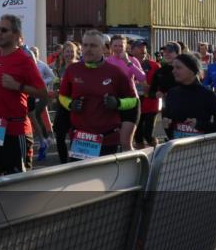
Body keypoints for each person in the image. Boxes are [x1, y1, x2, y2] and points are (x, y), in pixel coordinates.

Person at [0, 15, 48, 176]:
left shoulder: (25, 60)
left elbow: (43, 93)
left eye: (4, 30)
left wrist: (18, 86)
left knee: (16, 183)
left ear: (15, 34)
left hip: (15, 130)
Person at [57, 30, 138, 161]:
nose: (88, 49)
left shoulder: (115, 72)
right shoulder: (72, 70)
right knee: (79, 179)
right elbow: (62, 96)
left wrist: (117, 103)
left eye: (93, 46)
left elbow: (133, 101)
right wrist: (71, 104)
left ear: (103, 48)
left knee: (104, 180)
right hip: (80, 139)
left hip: (107, 140)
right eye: (85, 45)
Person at [162, 54, 216, 139]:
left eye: (178, 67)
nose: (173, 71)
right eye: (173, 68)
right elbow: (167, 120)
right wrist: (167, 124)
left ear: (192, 70)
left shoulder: (207, 94)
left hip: (202, 149)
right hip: (179, 149)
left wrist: (200, 125)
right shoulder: (172, 93)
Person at [50, 41, 81, 161]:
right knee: (59, 134)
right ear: (63, 54)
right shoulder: (59, 69)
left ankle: (76, 159)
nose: (69, 54)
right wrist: (55, 91)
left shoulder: (80, 67)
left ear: (76, 53)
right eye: (67, 51)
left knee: (76, 135)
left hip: (76, 106)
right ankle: (64, 161)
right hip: (62, 105)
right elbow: (56, 85)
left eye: (71, 51)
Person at [130, 39, 162, 146]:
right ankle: (141, 159)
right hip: (135, 103)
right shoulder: (127, 64)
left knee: (148, 134)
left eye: (144, 48)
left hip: (151, 104)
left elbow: (161, 84)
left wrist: (153, 89)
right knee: (138, 135)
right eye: (139, 47)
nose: (143, 50)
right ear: (132, 50)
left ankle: (155, 154)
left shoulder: (155, 65)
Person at [29, 46, 56, 161]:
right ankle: (46, 137)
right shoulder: (28, 64)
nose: (33, 54)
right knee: (36, 116)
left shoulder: (42, 65)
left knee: (35, 115)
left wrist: (42, 82)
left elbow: (53, 77)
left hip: (42, 94)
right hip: (32, 95)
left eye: (35, 52)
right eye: (32, 52)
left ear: (38, 54)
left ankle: (45, 138)